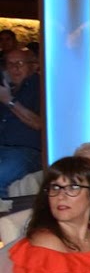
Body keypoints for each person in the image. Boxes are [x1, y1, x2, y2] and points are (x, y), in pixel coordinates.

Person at [0, 47, 42, 198]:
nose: (15, 68)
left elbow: (39, 124)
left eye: (20, 63)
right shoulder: (5, 88)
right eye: (10, 64)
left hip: (26, 151)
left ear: (32, 66)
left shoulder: (39, 87)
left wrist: (9, 101)